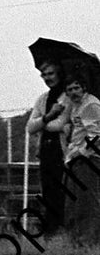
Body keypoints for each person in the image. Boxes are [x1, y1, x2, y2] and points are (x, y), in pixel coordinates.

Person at [26, 60, 69, 234]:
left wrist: (43, 122)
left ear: (58, 73)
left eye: (50, 73)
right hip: (45, 150)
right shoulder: (43, 99)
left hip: (63, 151)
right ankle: (51, 231)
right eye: (44, 75)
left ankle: (64, 231)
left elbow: (60, 124)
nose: (47, 78)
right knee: (48, 192)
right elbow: (30, 127)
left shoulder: (67, 96)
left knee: (63, 192)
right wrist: (48, 116)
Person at [59, 75, 100, 244]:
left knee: (87, 201)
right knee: (72, 202)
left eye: (76, 88)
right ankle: (75, 241)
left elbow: (96, 134)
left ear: (83, 88)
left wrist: (82, 152)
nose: (73, 92)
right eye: (70, 89)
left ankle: (89, 240)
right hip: (74, 158)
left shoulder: (91, 105)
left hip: (89, 159)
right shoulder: (76, 106)